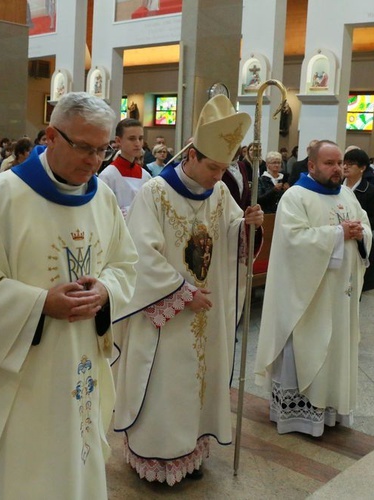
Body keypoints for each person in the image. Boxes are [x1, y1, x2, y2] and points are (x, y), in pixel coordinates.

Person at [0, 92, 138, 499]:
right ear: (51, 136)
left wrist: (106, 291)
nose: (93, 161)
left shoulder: (102, 197)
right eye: (83, 147)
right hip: (21, 373)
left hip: (82, 362)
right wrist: (39, 304)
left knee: (75, 460)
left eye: (102, 150)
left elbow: (125, 266)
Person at [113, 95, 262, 485]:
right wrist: (181, 293)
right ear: (191, 155)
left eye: (224, 168)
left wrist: (248, 225)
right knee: (166, 383)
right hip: (166, 315)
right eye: (213, 167)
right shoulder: (155, 193)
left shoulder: (219, 193)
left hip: (206, 313)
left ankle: (190, 451)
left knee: (200, 380)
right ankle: (159, 457)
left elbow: (230, 238)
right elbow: (141, 253)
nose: (218, 176)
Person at [254, 140, 371, 437]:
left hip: (338, 296)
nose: (337, 170)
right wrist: (337, 233)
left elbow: (364, 226)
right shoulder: (295, 197)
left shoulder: (346, 194)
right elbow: (293, 241)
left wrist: (360, 234)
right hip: (307, 296)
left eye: (339, 163)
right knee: (307, 346)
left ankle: (329, 409)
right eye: (329, 164)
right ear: (312, 165)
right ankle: (297, 416)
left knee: (334, 349)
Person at [342, 147, 374, 292]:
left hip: (359, 240)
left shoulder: (370, 190)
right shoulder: (335, 187)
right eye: (344, 163)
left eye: (351, 164)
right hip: (339, 239)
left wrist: (357, 227)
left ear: (362, 168)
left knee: (356, 288)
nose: (345, 167)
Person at [98, 118, 151, 217]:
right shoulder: (107, 176)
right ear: (118, 141)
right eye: (132, 138)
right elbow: (102, 212)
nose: (138, 143)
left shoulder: (146, 175)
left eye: (140, 138)